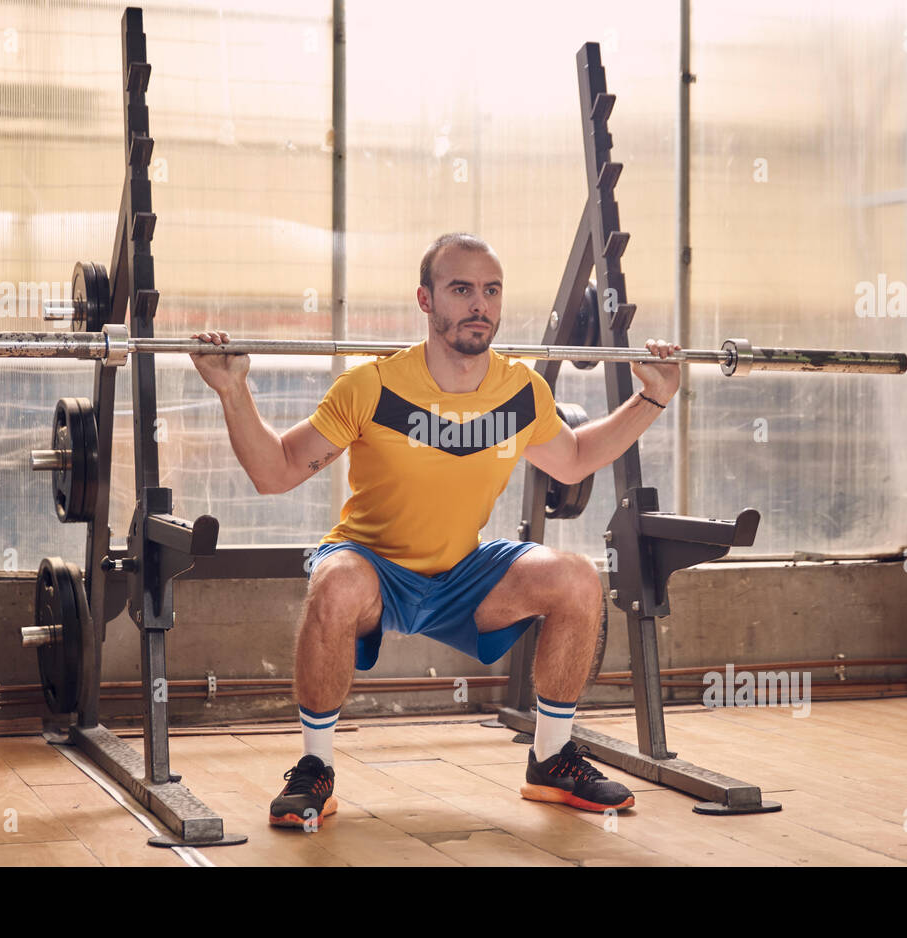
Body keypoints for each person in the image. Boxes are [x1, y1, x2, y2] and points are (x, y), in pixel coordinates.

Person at [191, 232, 679, 829]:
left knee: (575, 578)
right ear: (426, 300)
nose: (479, 304)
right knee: (336, 583)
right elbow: (277, 472)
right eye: (461, 289)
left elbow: (573, 459)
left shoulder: (522, 390)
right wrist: (233, 390)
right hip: (373, 567)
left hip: (463, 573)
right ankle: (315, 769)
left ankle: (550, 758)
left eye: (491, 291)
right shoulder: (372, 386)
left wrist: (651, 399)